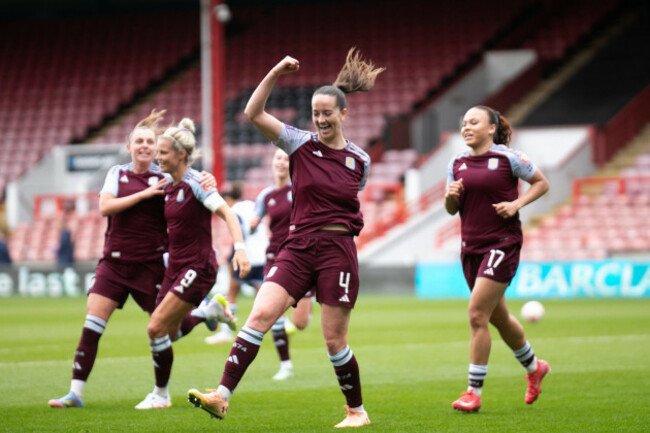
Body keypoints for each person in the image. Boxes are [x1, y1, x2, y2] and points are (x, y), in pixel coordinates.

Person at [187, 48, 383, 428]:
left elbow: (349, 199)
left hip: (337, 251)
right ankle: (221, 397)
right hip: (297, 248)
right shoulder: (298, 143)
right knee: (259, 314)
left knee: (333, 340)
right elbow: (254, 113)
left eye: (328, 113)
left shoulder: (360, 160)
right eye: (316, 113)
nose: (321, 119)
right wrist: (276, 70)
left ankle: (357, 411)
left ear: (343, 114)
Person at [47, 110, 233, 410]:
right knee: (92, 324)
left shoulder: (167, 177)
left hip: (151, 265)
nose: (146, 146)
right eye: (140, 141)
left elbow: (190, 180)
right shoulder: (117, 174)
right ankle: (75, 393)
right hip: (114, 263)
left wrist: (206, 178)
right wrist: (146, 194)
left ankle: (201, 318)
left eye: (150, 141)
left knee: (166, 330)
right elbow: (106, 207)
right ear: (129, 147)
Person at [444, 105, 551, 413]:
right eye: (463, 122)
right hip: (470, 248)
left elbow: (542, 183)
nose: (466, 127)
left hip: (502, 244)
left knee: (477, 313)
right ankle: (535, 368)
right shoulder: (456, 162)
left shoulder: (508, 158)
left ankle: (472, 393)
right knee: (499, 319)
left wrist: (516, 204)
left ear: (491, 128)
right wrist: (451, 197)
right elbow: (452, 209)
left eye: (474, 122)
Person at [144, 118, 251, 411]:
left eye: (163, 152)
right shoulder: (166, 185)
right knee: (168, 332)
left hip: (198, 267)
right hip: (174, 268)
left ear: (180, 154)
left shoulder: (198, 184)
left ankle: (160, 395)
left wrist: (239, 250)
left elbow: (229, 215)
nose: (158, 157)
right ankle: (208, 311)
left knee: (154, 329)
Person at [250, 148, 313, 381]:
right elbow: (254, 222)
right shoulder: (265, 196)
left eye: (286, 159)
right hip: (274, 258)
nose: (281, 162)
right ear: (272, 163)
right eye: (278, 158)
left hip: (300, 257)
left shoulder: (298, 190)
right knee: (273, 313)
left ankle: (305, 306)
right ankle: (285, 365)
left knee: (301, 323)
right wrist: (253, 224)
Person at [205, 183, 269, 345]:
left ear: (226, 199)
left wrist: (233, 255)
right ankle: (280, 323)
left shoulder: (233, 211)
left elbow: (241, 234)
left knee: (233, 292)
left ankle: (227, 331)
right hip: (262, 253)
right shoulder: (249, 205)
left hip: (248, 256)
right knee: (262, 293)